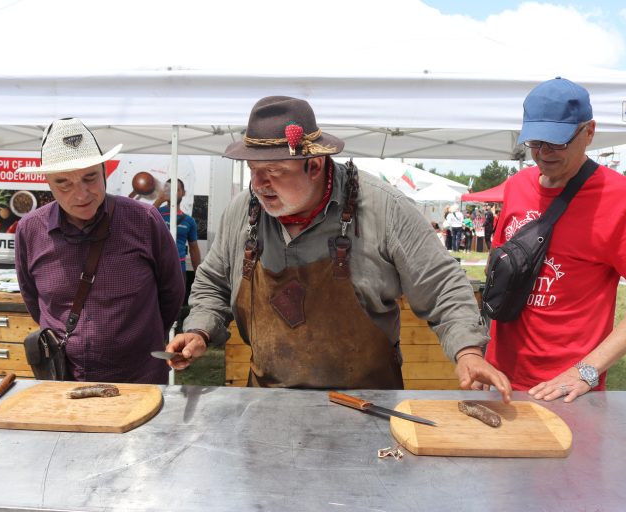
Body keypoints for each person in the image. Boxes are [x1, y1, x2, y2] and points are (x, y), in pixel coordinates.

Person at [164, 96, 511, 400]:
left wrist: (467, 352)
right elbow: (213, 283)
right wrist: (199, 330)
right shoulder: (244, 210)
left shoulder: (384, 208)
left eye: (274, 171)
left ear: (314, 165)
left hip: (368, 406)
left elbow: (443, 286)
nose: (258, 184)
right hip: (268, 405)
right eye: (254, 170)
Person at [485, 78, 626, 402]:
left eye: (556, 142)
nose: (543, 154)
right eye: (535, 142)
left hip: (567, 392)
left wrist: (586, 370)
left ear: (589, 132)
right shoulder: (516, 186)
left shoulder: (621, 198)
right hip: (500, 380)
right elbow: (499, 267)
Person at [14, 118, 185, 384]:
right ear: (48, 183)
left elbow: (172, 292)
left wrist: (140, 339)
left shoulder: (144, 220)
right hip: (64, 382)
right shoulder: (30, 230)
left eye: (89, 177)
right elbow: (34, 302)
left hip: (139, 378)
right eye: (64, 183)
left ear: (104, 170)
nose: (81, 194)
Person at [156, 178, 202, 285]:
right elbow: (143, 221)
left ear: (184, 193)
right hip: (158, 269)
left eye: (176, 189)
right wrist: (160, 200)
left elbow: (194, 249)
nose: (173, 193)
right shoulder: (156, 213)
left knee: (177, 301)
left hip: (179, 271)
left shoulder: (189, 221)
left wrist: (198, 275)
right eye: (169, 190)